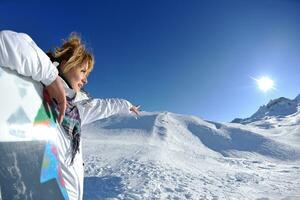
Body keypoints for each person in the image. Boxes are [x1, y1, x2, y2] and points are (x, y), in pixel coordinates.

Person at [0, 30, 140, 200]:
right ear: (67, 64)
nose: (86, 80)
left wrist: (127, 105)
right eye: (83, 71)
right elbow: (5, 42)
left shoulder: (75, 111)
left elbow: (104, 106)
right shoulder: (38, 88)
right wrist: (50, 77)